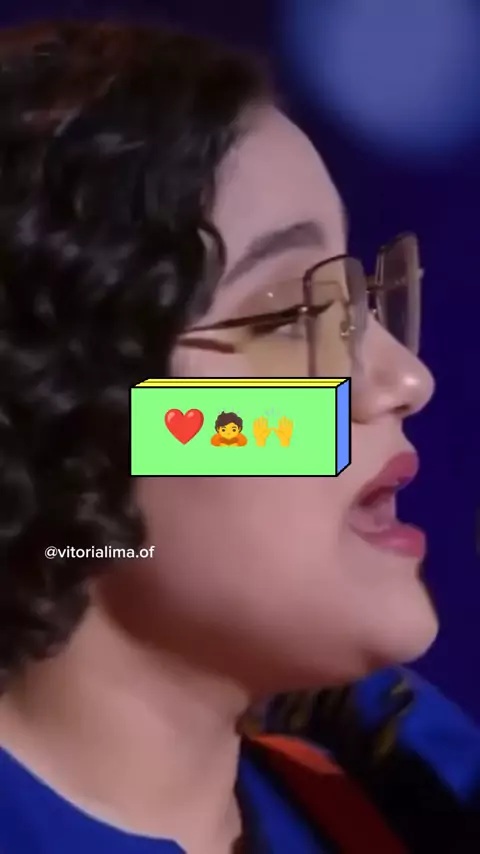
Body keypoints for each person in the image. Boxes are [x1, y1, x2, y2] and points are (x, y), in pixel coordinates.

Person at [0, 20, 479, 854]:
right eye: (292, 315)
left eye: (357, 304)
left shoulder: (406, 798)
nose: (406, 378)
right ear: (60, 423)